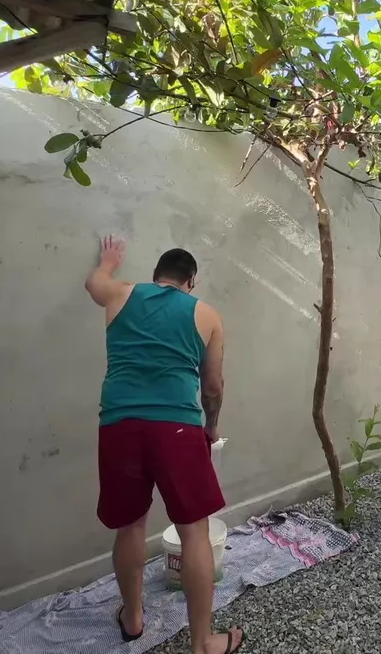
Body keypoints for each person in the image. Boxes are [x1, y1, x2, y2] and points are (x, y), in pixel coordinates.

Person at [84, 236, 244, 654]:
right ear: (191, 281)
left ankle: (133, 618)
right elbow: (213, 387)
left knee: (130, 525)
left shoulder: (121, 294)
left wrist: (108, 261)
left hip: (119, 425)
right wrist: (211, 426)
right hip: (176, 429)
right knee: (194, 532)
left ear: (156, 275)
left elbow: (93, 284)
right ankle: (203, 642)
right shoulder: (206, 314)